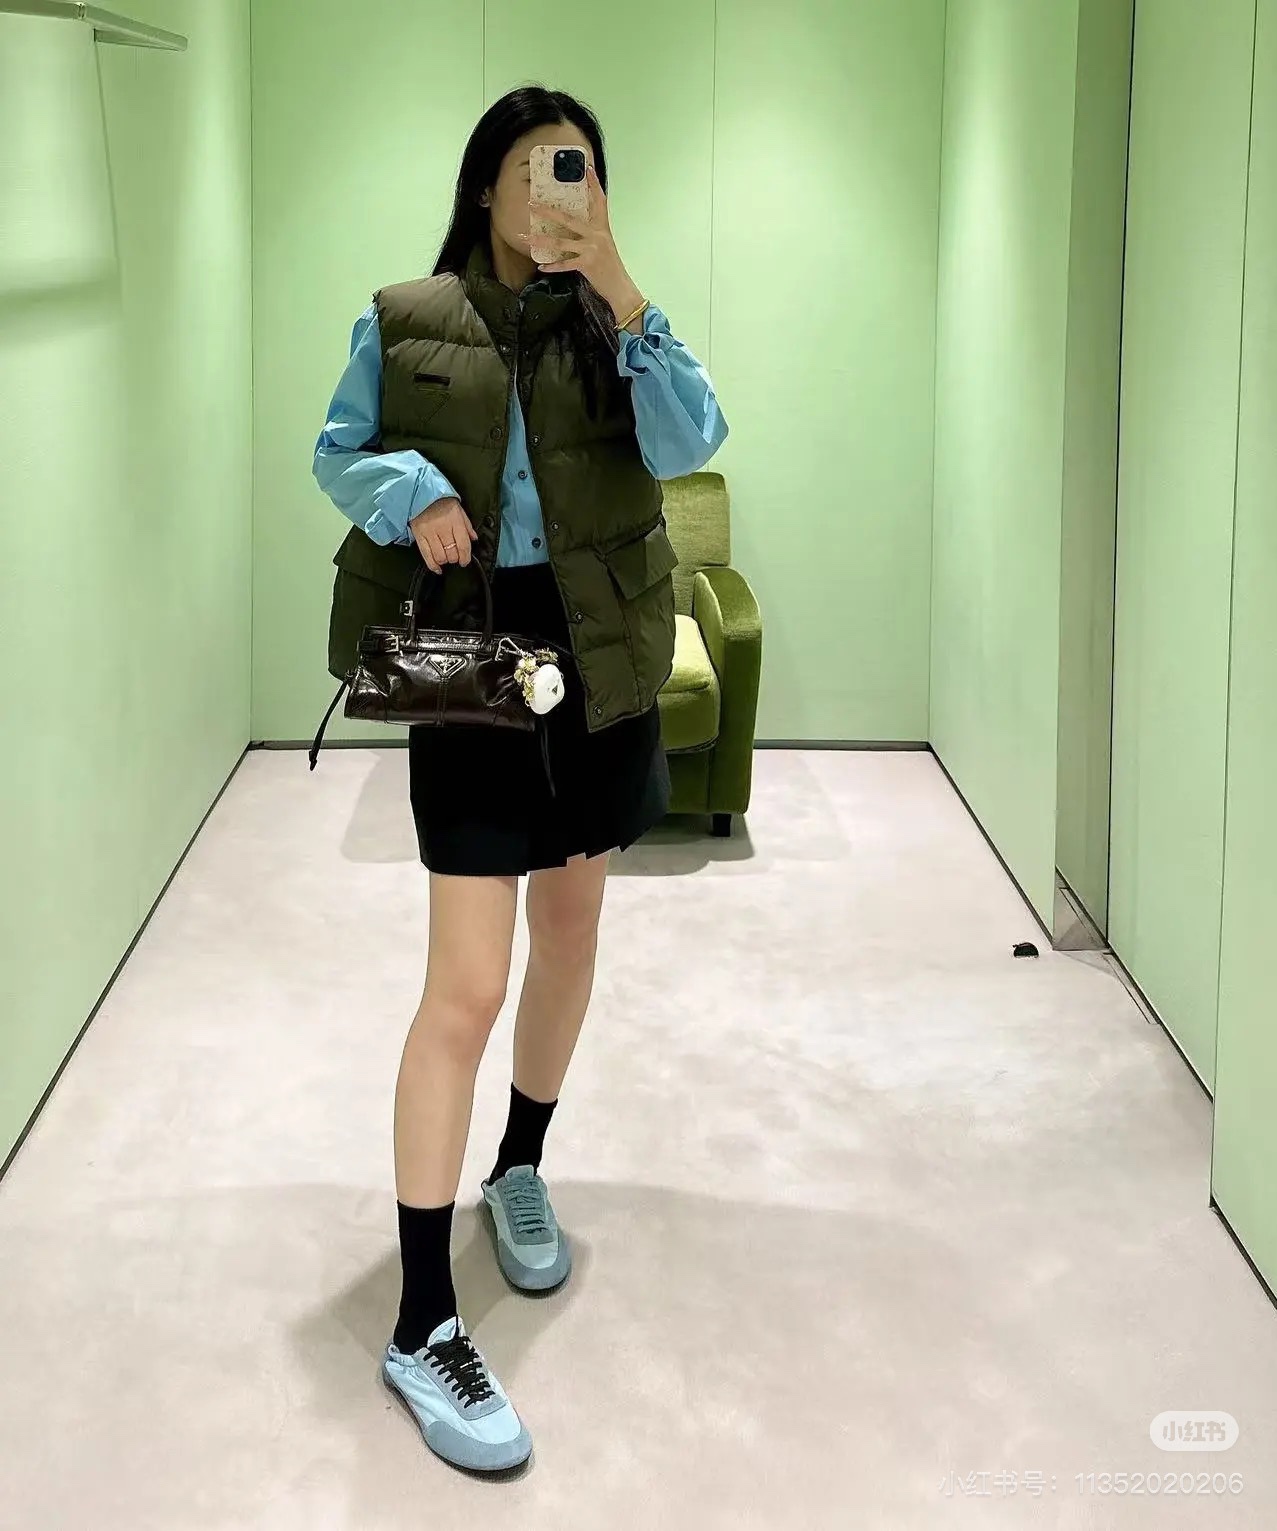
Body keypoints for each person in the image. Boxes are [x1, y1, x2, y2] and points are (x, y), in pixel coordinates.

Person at [312, 86, 727, 1473]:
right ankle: (421, 1318)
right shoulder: (406, 318)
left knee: (574, 928)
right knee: (467, 984)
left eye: (584, 174)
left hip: (600, 656)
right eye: (543, 171)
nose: (562, 192)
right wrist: (413, 495)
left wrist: (618, 283)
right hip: (472, 654)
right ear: (487, 185)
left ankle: (522, 1166)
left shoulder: (621, 328)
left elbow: (691, 443)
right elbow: (336, 452)